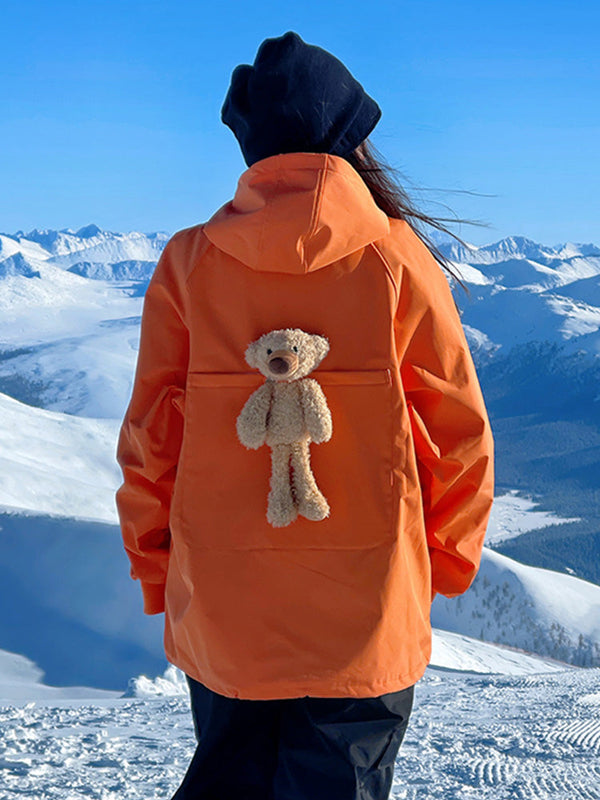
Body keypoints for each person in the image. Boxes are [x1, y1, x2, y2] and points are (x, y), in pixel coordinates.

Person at [115, 30, 495, 800]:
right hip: (367, 613)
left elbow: (152, 438)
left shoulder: (189, 262)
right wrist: (443, 563)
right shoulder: (396, 258)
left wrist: (160, 573)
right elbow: (457, 433)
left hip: (223, 612)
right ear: (352, 139)